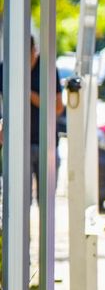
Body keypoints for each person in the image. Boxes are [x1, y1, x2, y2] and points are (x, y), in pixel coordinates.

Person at [0, 36, 64, 205]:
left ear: (34, 51)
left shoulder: (48, 69)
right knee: (19, 202)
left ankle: (44, 233)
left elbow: (57, 107)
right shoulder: (5, 69)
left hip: (46, 142)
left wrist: (26, 90)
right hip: (18, 143)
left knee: (46, 201)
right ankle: (25, 233)